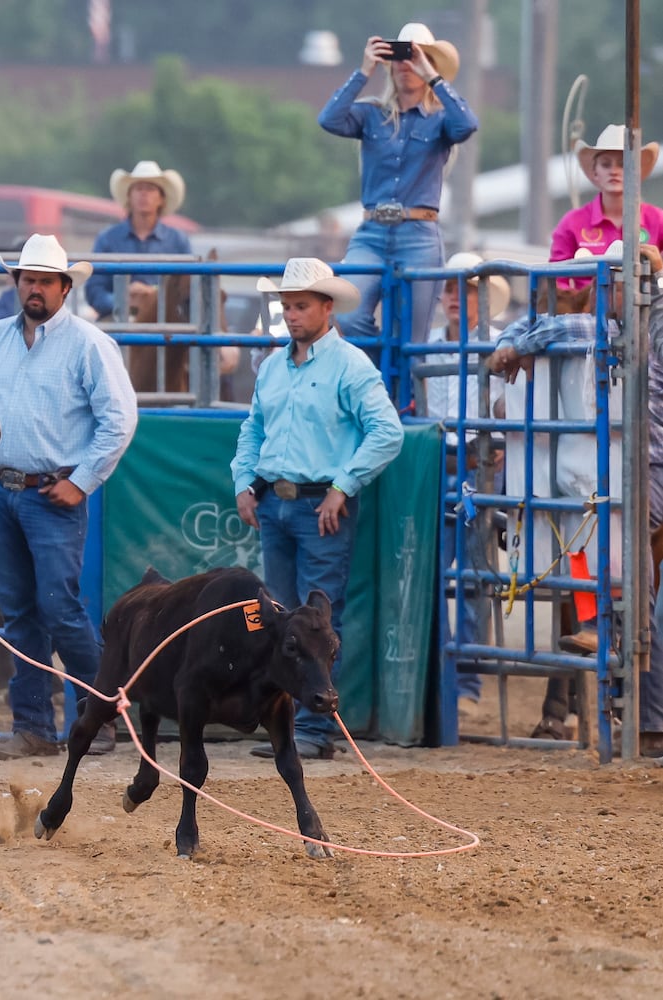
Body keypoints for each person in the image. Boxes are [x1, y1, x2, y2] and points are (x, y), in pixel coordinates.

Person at [488, 242, 663, 755]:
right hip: (616, 459)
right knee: (591, 527)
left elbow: (568, 328)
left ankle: (626, 667)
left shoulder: (614, 327)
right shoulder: (621, 326)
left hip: (637, 462)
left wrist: (514, 344)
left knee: (606, 539)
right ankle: (624, 689)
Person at [0, 234, 138, 760]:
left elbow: (120, 419)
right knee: (20, 611)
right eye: (28, 279)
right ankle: (34, 726)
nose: (36, 288)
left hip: (52, 491)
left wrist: (83, 480)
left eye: (45, 280)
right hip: (4, 488)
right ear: (16, 283)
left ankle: (100, 715)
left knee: (58, 607)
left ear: (65, 288)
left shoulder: (89, 344)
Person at [232, 258, 404, 759]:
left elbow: (386, 431)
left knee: (313, 620)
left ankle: (313, 729)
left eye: (301, 306)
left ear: (327, 308)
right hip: (280, 500)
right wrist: (245, 480)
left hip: (317, 506)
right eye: (286, 306)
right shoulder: (273, 366)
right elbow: (254, 430)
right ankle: (291, 725)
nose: (291, 315)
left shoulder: (349, 365)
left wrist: (342, 486)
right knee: (278, 619)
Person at [318, 23, 477, 346]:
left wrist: (432, 75)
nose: (406, 64)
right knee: (347, 315)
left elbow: (468, 124)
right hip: (371, 234)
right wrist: (364, 70)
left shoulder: (440, 119)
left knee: (411, 340)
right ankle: (378, 378)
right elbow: (329, 119)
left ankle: (404, 395)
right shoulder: (371, 113)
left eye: (415, 56)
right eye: (400, 56)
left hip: (419, 236)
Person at [420, 253, 510, 713]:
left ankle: (467, 682)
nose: (456, 298)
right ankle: (450, 678)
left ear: (482, 298)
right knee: (436, 574)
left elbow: (510, 409)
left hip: (475, 465)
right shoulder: (430, 343)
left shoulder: (497, 344)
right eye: (451, 289)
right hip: (441, 461)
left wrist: (502, 441)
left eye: (467, 290)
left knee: (472, 575)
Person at [549, 124, 663, 287]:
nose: (614, 171)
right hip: (588, 312)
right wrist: (582, 305)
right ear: (595, 172)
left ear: (636, 172)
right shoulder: (571, 223)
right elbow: (556, 285)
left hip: (647, 311)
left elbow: (662, 287)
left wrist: (659, 269)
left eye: (623, 164)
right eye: (606, 164)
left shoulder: (658, 220)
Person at [84, 160, 193, 321]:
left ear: (161, 198)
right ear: (129, 196)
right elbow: (94, 290)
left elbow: (186, 291)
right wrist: (123, 299)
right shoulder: (107, 238)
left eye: (150, 189)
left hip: (163, 323)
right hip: (116, 319)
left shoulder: (178, 240)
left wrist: (153, 296)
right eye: (138, 188)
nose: (144, 194)